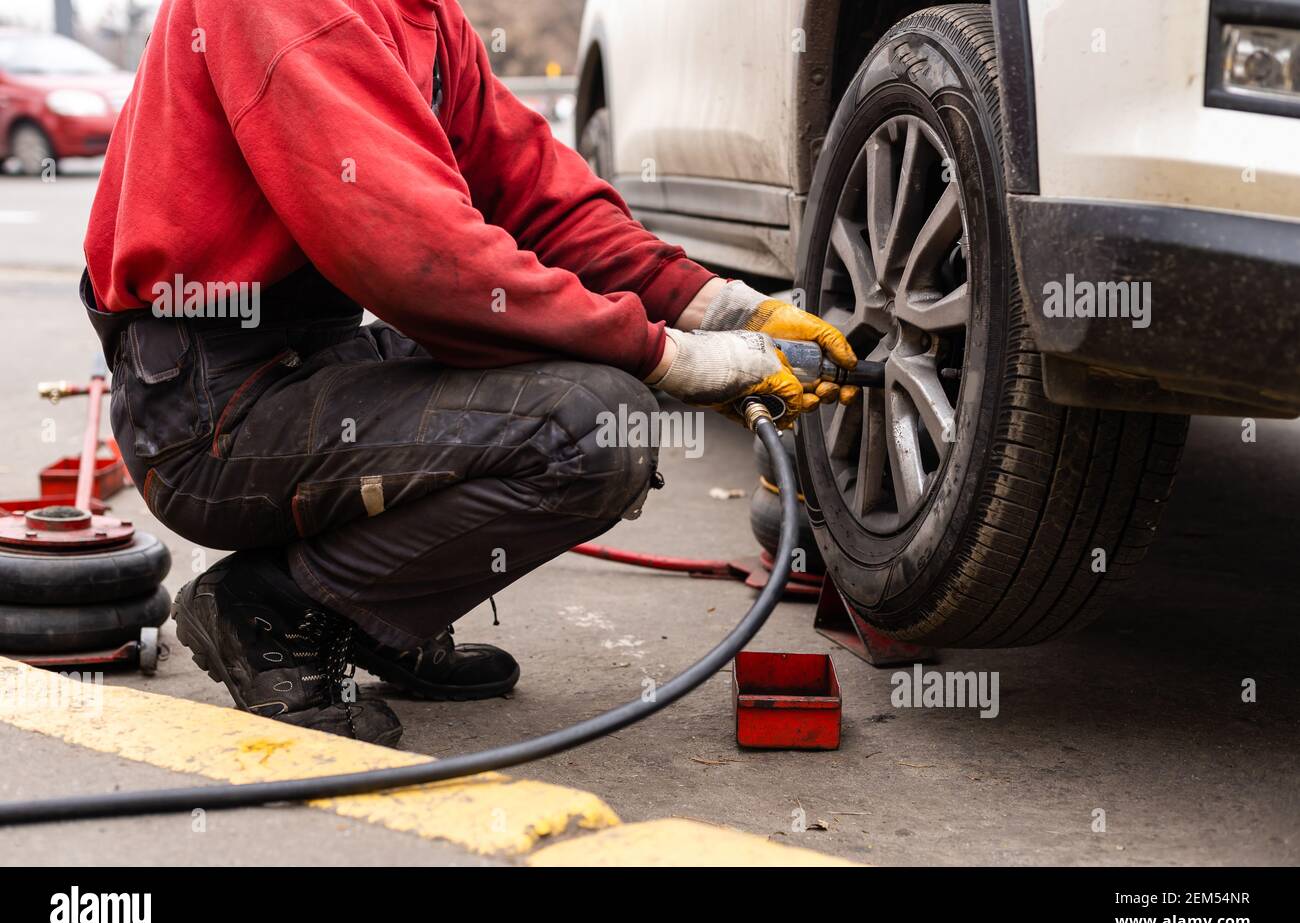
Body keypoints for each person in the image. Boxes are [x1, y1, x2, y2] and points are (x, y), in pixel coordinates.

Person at [81, 0, 857, 744]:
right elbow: (416, 256)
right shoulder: (289, 7)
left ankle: (371, 615)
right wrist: (668, 357)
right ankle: (273, 609)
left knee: (573, 381)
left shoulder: (422, 15)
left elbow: (539, 197)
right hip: (212, 412)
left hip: (303, 364)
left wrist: (717, 309)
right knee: (587, 427)